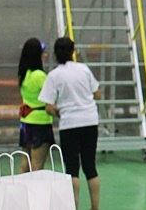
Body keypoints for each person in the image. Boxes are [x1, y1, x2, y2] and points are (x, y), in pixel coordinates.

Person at [39, 37, 101, 210]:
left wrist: (60, 111)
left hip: (69, 124)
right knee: (90, 167)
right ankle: (95, 207)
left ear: (55, 54)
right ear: (73, 52)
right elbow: (97, 94)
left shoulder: (54, 75)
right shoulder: (84, 69)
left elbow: (48, 107)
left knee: (72, 169)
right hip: (90, 121)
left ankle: (74, 207)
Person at [17, 37, 54, 173]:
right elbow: (51, 97)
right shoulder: (40, 76)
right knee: (37, 166)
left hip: (26, 122)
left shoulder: (23, 74)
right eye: (43, 52)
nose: (45, 55)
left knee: (25, 163)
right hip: (40, 123)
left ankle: (19, 186)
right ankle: (35, 188)